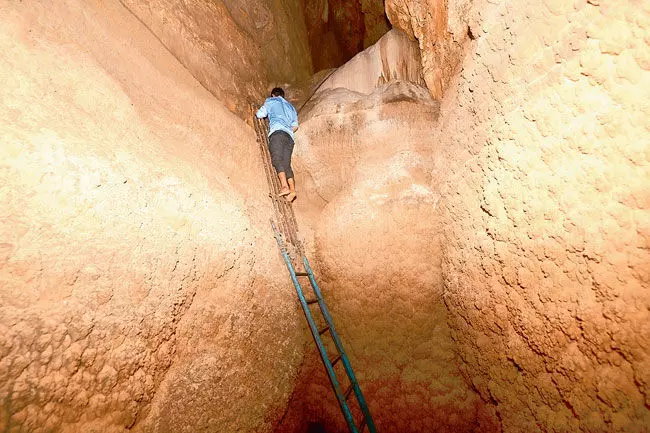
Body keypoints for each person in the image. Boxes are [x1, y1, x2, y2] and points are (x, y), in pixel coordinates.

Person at [256, 87, 299, 202]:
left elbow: (261, 114)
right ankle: (293, 190)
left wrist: (259, 112)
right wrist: (287, 128)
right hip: (289, 137)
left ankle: (284, 186)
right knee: (286, 164)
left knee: (277, 159)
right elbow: (295, 126)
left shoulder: (271, 101)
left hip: (277, 133)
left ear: (273, 95)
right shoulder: (291, 107)